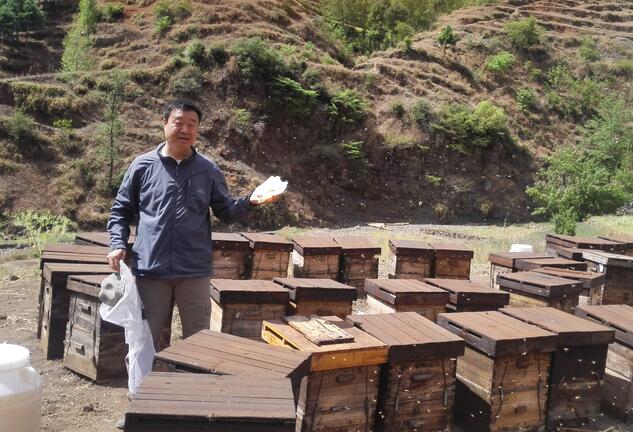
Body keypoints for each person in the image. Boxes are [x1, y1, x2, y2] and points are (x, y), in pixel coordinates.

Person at [106, 99, 278, 351]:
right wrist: (117, 244)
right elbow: (121, 210)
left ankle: (191, 377)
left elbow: (226, 211)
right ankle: (144, 378)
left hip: (193, 270)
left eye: (192, 124)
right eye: (179, 123)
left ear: (197, 129)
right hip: (151, 269)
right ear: (164, 123)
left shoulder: (208, 170)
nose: (185, 130)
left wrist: (250, 201)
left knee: (198, 341)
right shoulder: (142, 166)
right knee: (144, 338)